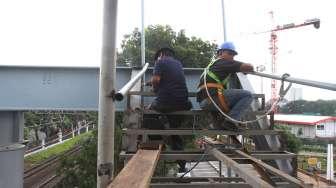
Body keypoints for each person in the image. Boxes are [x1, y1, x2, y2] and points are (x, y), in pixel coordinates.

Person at [146, 47, 192, 173]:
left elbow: (156, 80)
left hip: (166, 102)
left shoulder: (160, 62)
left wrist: (155, 88)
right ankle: (182, 165)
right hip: (183, 103)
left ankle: (157, 143)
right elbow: (170, 81)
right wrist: (152, 83)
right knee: (174, 131)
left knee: (148, 114)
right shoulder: (178, 64)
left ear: (160, 55)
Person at [196, 41, 254, 130]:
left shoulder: (214, 64)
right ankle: (231, 122)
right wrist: (248, 67)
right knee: (248, 95)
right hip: (212, 99)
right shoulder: (223, 62)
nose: (232, 57)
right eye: (230, 53)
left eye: (233, 55)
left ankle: (221, 124)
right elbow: (248, 67)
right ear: (220, 53)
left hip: (206, 101)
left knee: (234, 100)